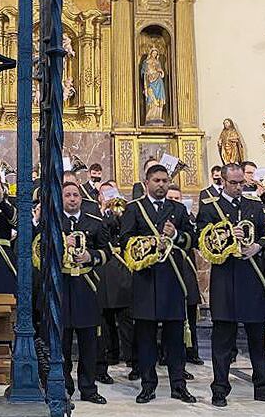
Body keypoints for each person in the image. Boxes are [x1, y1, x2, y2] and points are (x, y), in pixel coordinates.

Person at [198, 163, 265, 408]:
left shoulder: (254, 205)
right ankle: (220, 389)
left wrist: (258, 246)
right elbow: (202, 240)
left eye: (241, 183)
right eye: (233, 183)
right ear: (223, 182)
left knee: (257, 338)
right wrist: (226, 236)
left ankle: (263, 387)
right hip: (225, 278)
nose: (238, 187)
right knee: (223, 339)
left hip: (252, 276)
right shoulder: (210, 207)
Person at [120, 164, 197, 404]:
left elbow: (191, 239)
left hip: (172, 280)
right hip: (146, 280)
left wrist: (175, 236)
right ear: (147, 183)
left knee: (175, 339)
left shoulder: (178, 209)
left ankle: (178, 385)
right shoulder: (134, 209)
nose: (161, 184)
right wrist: (151, 245)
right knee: (146, 338)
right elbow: (125, 241)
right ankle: (148, 385)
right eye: (157, 180)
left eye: (165, 180)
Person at [58, 182, 111, 405]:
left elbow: (107, 251)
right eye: (68, 195)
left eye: (76, 195)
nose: (72, 199)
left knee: (89, 343)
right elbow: (40, 249)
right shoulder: (53, 222)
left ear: (81, 199)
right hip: (62, 286)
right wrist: (63, 244)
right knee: (62, 342)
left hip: (86, 286)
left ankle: (88, 388)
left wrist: (91, 256)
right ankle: (63, 387)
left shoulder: (94, 222)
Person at [95, 181, 134, 384]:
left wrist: (119, 213)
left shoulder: (124, 212)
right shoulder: (95, 214)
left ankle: (133, 359)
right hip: (103, 269)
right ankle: (110, 354)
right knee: (105, 318)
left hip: (121, 267)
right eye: (105, 194)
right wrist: (103, 211)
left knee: (126, 317)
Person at [166, 184, 203, 370]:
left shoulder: (186, 217)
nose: (173, 201)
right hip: (166, 269)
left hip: (185, 268)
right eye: (170, 198)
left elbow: (194, 240)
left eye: (176, 198)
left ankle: (192, 351)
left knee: (190, 312)